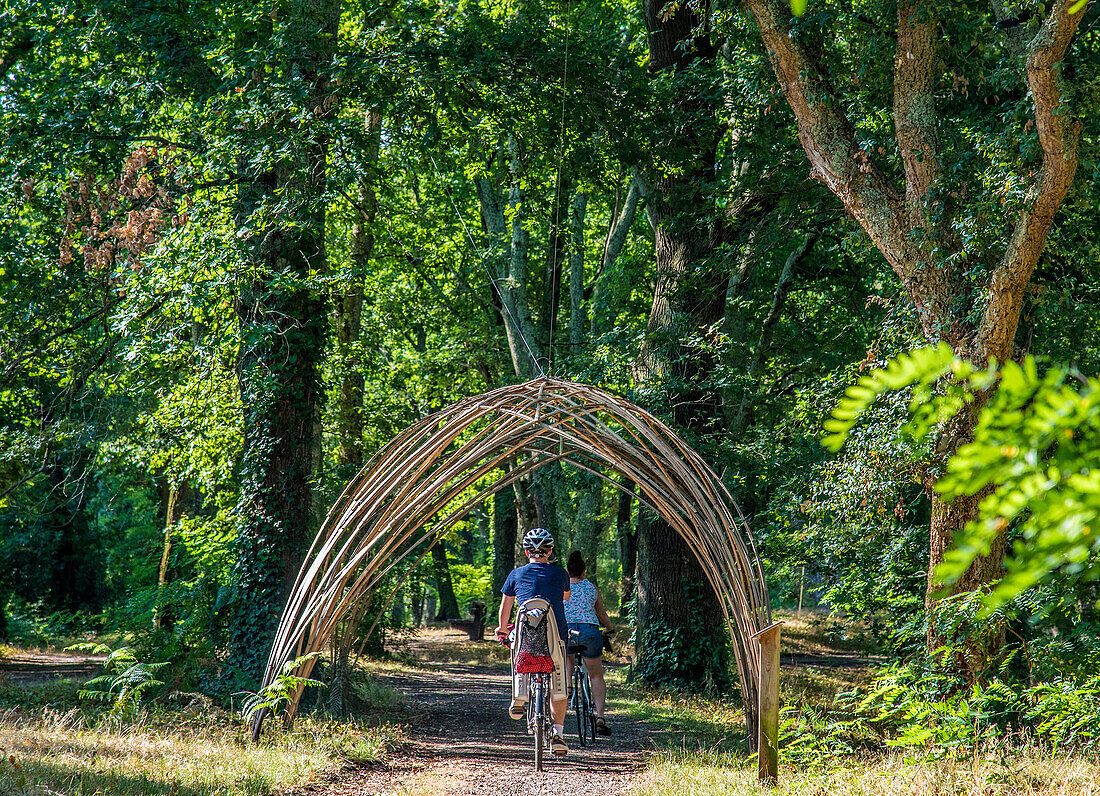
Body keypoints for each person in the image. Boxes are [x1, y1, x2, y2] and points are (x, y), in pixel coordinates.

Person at [496, 527, 571, 756]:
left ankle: (519, 696)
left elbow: (506, 607)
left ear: (526, 551)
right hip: (555, 636)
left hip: (525, 635)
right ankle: (558, 733)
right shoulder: (561, 574)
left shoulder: (516, 574)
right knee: (559, 680)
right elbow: (565, 597)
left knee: (517, 650)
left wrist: (501, 629)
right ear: (550, 551)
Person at [563, 550, 614, 735]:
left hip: (567, 631)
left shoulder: (562, 587)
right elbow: (601, 614)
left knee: (567, 654)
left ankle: (568, 685)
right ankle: (600, 716)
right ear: (584, 572)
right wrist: (609, 628)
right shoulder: (591, 588)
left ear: (567, 571)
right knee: (596, 675)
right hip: (590, 632)